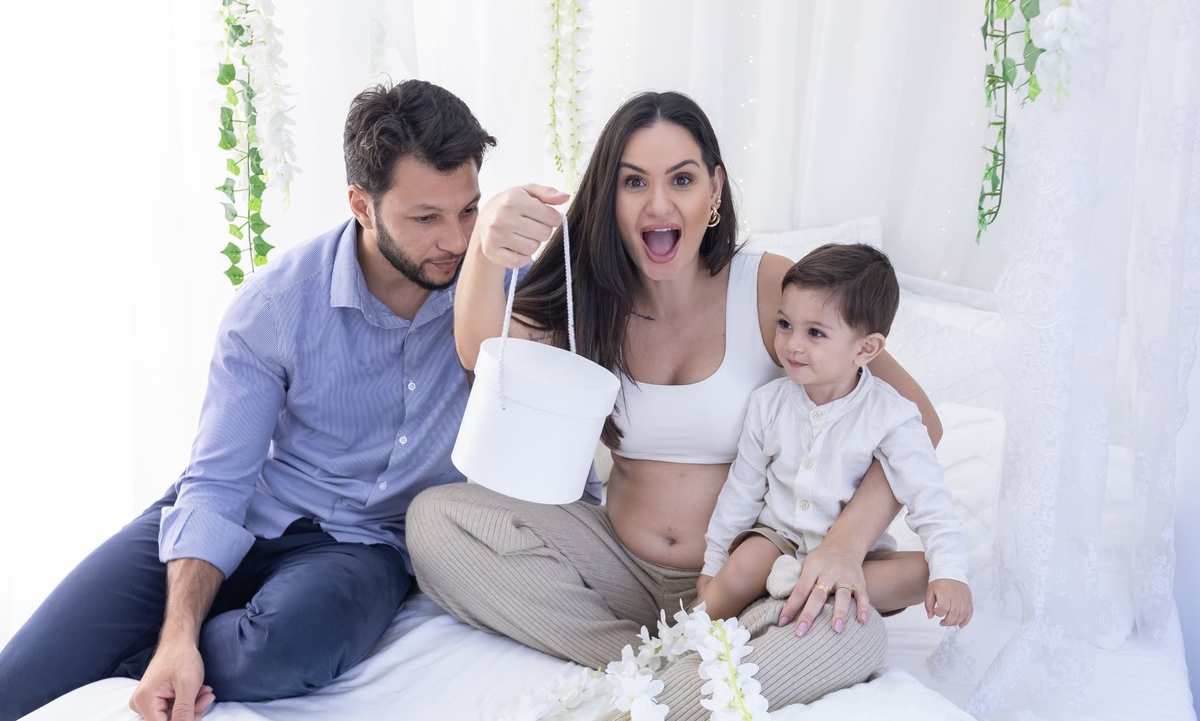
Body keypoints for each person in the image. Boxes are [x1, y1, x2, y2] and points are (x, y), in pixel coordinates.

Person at [407, 90, 944, 716]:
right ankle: (651, 662)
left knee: (849, 632)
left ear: (714, 190)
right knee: (436, 522)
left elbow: (918, 422)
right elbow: (481, 353)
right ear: (610, 197)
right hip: (624, 571)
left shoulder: (772, 286)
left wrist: (844, 547)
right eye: (634, 181)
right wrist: (482, 253)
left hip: (758, 577)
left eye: (682, 180)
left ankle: (648, 702)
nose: (659, 203)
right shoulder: (591, 295)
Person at [0, 79, 496, 721]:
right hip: (247, 506)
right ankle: (164, 642)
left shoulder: (498, 292)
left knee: (282, 651)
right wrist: (178, 635)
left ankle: (146, 654)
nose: (456, 240)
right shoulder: (275, 305)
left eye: (468, 211)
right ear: (362, 205)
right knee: (18, 681)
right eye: (426, 217)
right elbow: (217, 481)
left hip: (363, 547)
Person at [698, 243, 973, 630]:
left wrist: (950, 572)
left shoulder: (893, 415)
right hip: (779, 538)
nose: (792, 344)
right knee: (741, 568)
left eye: (815, 333)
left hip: (855, 558)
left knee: (928, 574)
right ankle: (692, 635)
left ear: (866, 349)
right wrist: (713, 569)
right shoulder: (768, 403)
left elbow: (929, 497)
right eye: (784, 324)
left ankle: (804, 588)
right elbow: (740, 492)